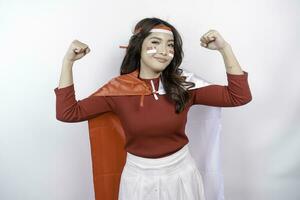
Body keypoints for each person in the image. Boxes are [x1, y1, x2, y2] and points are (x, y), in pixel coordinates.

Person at [54, 17, 252, 200]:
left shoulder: (185, 84)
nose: (164, 51)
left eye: (170, 45)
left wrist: (224, 48)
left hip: (182, 176)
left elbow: (239, 96)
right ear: (138, 46)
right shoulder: (117, 89)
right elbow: (68, 112)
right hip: (138, 181)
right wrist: (67, 63)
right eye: (155, 42)